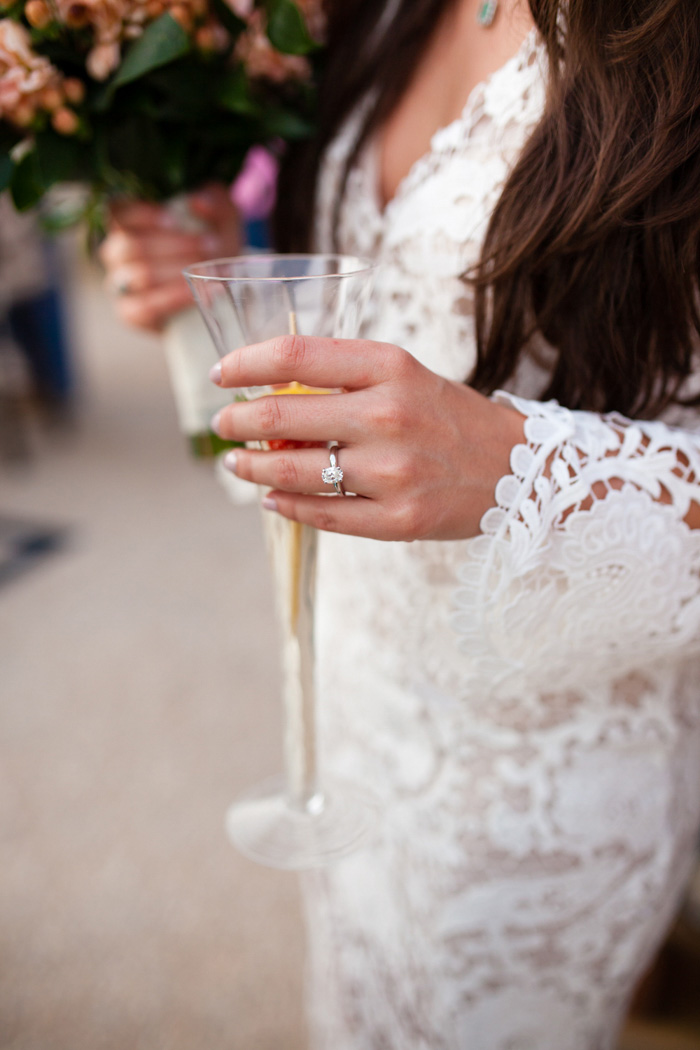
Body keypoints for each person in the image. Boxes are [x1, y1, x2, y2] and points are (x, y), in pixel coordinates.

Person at [101, 1, 700, 1046]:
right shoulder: (378, 10)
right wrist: (216, 283)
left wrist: (510, 463)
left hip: (546, 779)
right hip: (352, 714)